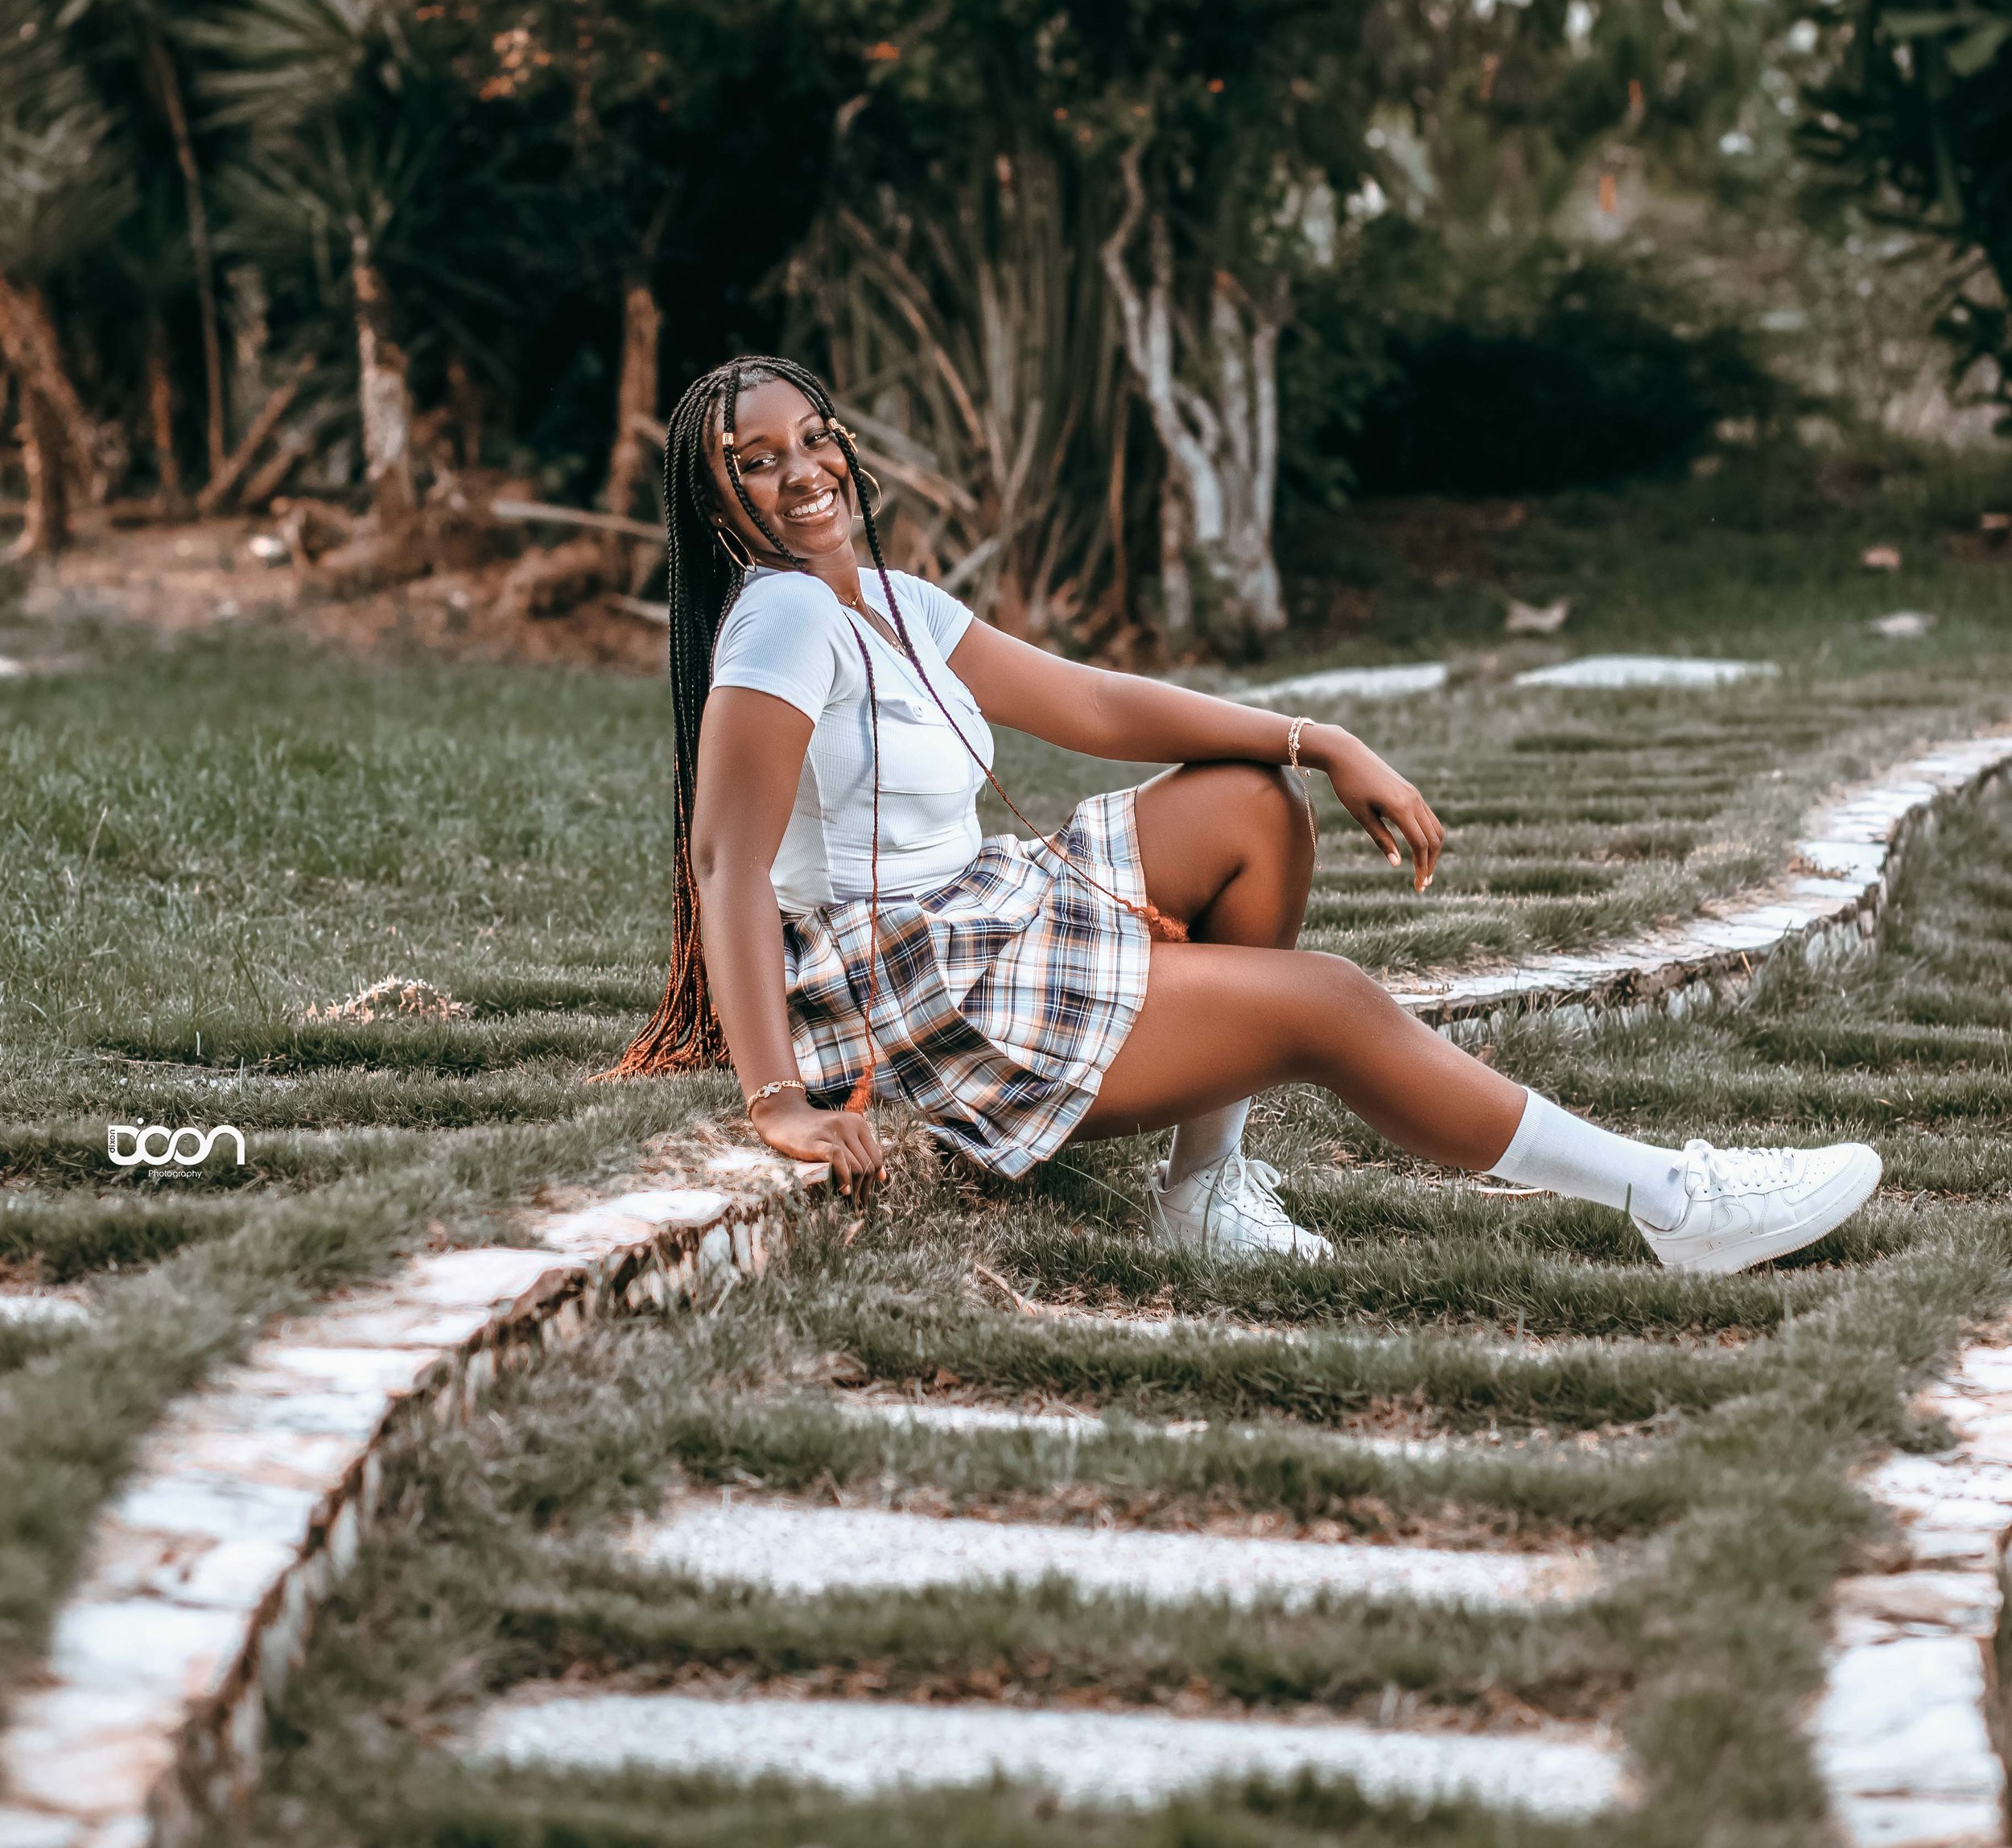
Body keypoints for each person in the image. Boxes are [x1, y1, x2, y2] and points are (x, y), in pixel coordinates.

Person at [604, 354, 1882, 1278]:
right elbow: (725, 859)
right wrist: (777, 1095)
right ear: (717, 503)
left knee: (1253, 805)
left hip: (969, 915)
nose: (800, 472)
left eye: (812, 438)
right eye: (754, 462)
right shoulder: (784, 613)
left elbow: (1096, 703)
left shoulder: (888, 597)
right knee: (1327, 1006)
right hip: (904, 988)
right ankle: (1673, 1199)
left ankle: (1203, 1193)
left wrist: (1316, 738)